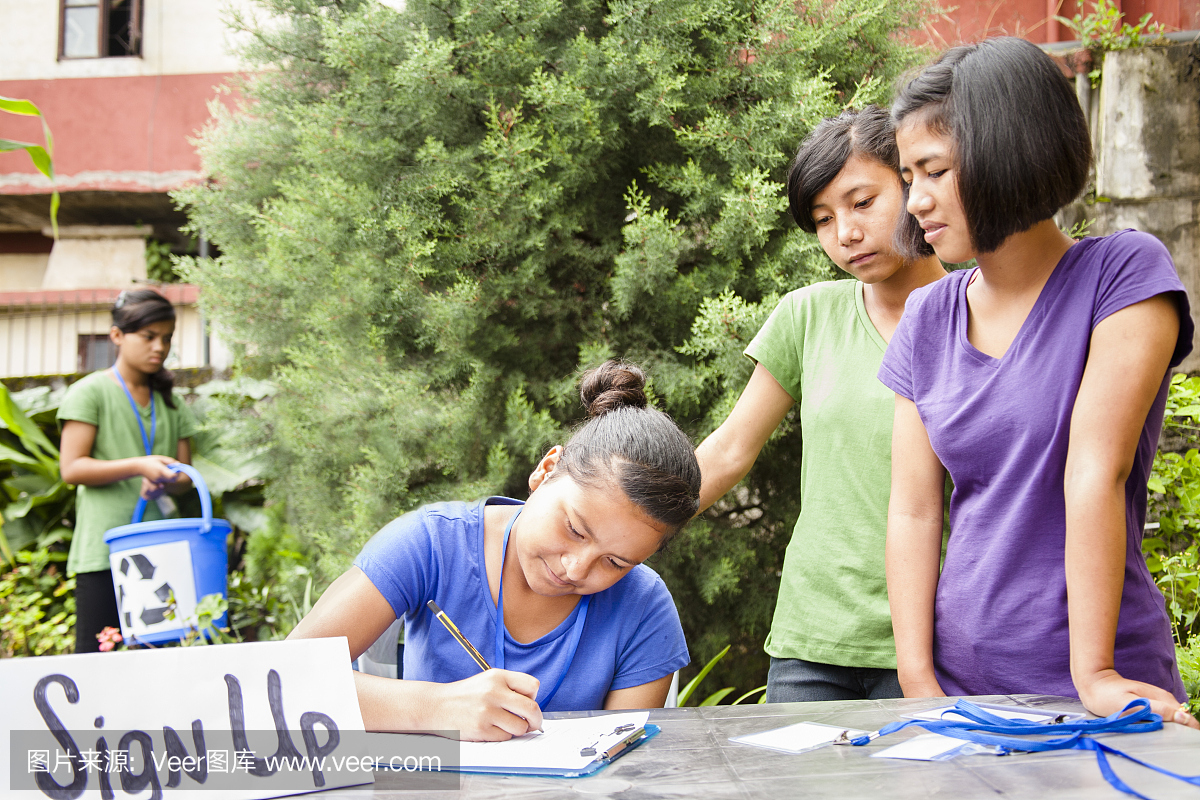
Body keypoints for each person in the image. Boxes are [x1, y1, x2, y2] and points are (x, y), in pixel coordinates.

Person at [881, 36, 1199, 728]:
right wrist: (919, 681)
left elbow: (1094, 471)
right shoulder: (929, 316)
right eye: (909, 176)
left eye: (933, 171)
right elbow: (912, 511)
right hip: (963, 685)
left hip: (1099, 681)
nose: (914, 202)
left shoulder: (1122, 276)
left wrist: (1097, 675)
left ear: (1006, 151)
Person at [289, 361, 697, 740]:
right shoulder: (430, 545)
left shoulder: (644, 607)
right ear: (547, 469)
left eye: (615, 562)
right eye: (574, 529)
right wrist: (436, 708)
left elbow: (618, 768)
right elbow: (279, 678)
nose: (575, 568)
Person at [693, 106, 947, 702]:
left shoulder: (975, 314)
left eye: (862, 203)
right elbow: (729, 450)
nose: (845, 235)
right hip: (812, 645)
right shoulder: (808, 315)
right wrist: (614, 524)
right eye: (823, 219)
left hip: (936, 645)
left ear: (913, 183)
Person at [59, 289, 198, 653]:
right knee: (98, 661)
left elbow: (186, 477)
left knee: (165, 660)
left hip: (163, 551)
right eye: (149, 337)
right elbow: (71, 467)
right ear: (117, 336)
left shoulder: (171, 401)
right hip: (103, 550)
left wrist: (169, 479)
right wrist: (139, 465)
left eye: (167, 338)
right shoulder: (89, 392)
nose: (160, 347)